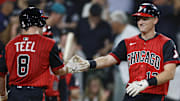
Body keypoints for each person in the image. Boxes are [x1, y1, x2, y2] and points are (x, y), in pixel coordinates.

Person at [67, 2, 180, 101]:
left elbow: (169, 73)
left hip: (154, 94)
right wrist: (89, 63)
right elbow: (109, 59)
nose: (141, 22)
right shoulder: (127, 42)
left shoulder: (166, 43)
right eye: (139, 18)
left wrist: (146, 83)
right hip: (133, 93)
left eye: (145, 19)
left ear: (155, 20)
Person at [0, 6, 69, 101]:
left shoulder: (10, 45)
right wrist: (72, 66)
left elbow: (1, 73)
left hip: (14, 93)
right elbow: (58, 71)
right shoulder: (48, 43)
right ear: (39, 23)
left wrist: (3, 95)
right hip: (35, 94)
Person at [110, 10, 139, 101]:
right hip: (121, 73)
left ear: (117, 23)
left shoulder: (133, 32)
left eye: (112, 23)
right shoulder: (119, 36)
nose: (111, 26)